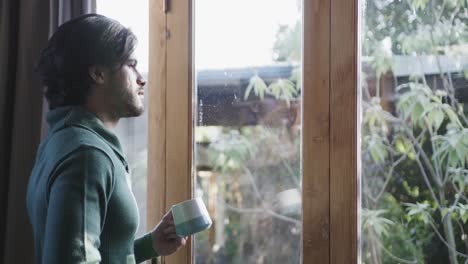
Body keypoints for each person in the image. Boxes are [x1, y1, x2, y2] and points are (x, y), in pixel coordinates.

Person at [26, 14, 187, 263]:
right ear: (98, 73)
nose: (141, 78)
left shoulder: (60, 142)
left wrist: (149, 245)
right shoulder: (87, 155)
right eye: (131, 64)